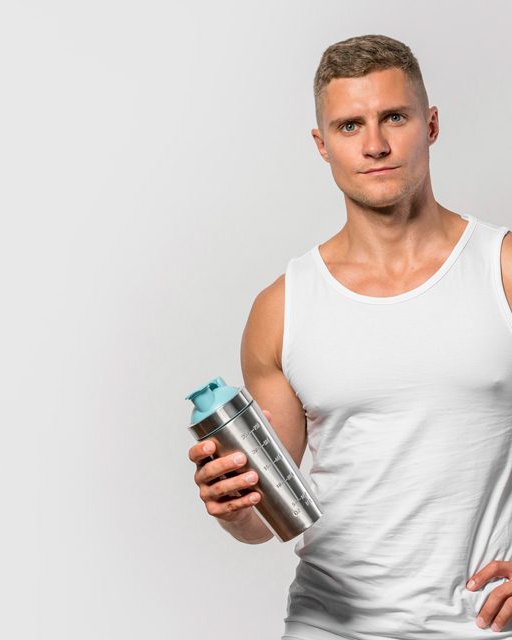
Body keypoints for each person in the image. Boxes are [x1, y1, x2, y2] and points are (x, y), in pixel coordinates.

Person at [188, 33, 512, 639]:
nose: (375, 144)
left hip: (480, 623)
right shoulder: (282, 309)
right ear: (322, 144)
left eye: (395, 117)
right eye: (349, 125)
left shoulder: (502, 269)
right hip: (329, 623)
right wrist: (232, 507)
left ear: (431, 124)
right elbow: (269, 516)